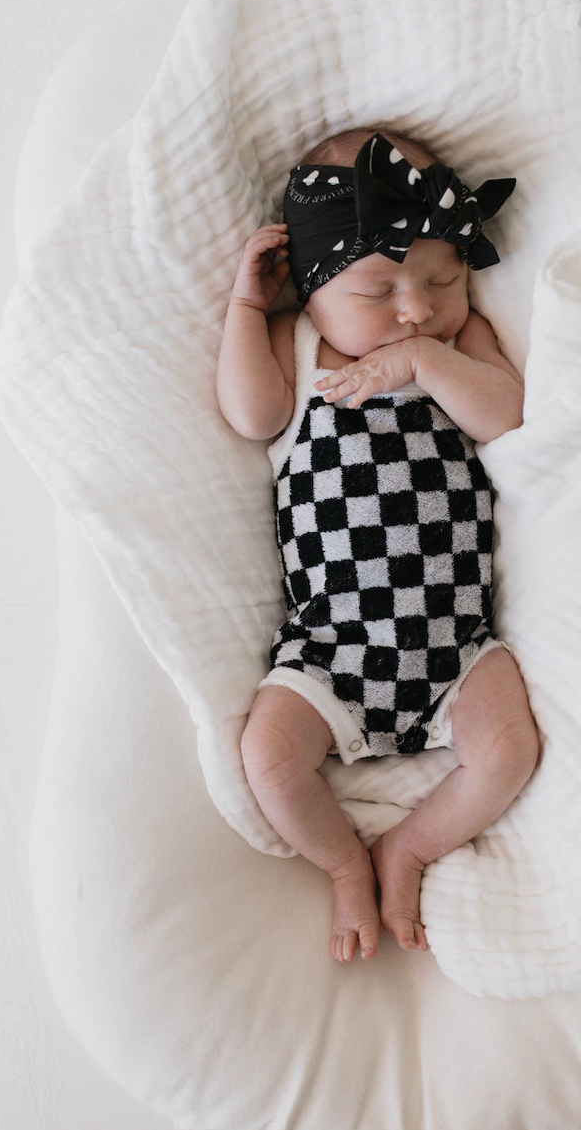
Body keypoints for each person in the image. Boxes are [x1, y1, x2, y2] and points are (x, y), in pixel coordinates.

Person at [217, 128, 540, 963]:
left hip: (457, 650)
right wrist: (248, 310)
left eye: (441, 278)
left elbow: (506, 416)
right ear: (315, 290)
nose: (415, 308)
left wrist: (425, 364)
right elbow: (252, 417)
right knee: (269, 756)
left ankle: (410, 847)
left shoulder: (453, 349)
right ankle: (342, 865)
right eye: (377, 288)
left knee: (508, 750)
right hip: (332, 650)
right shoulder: (297, 348)